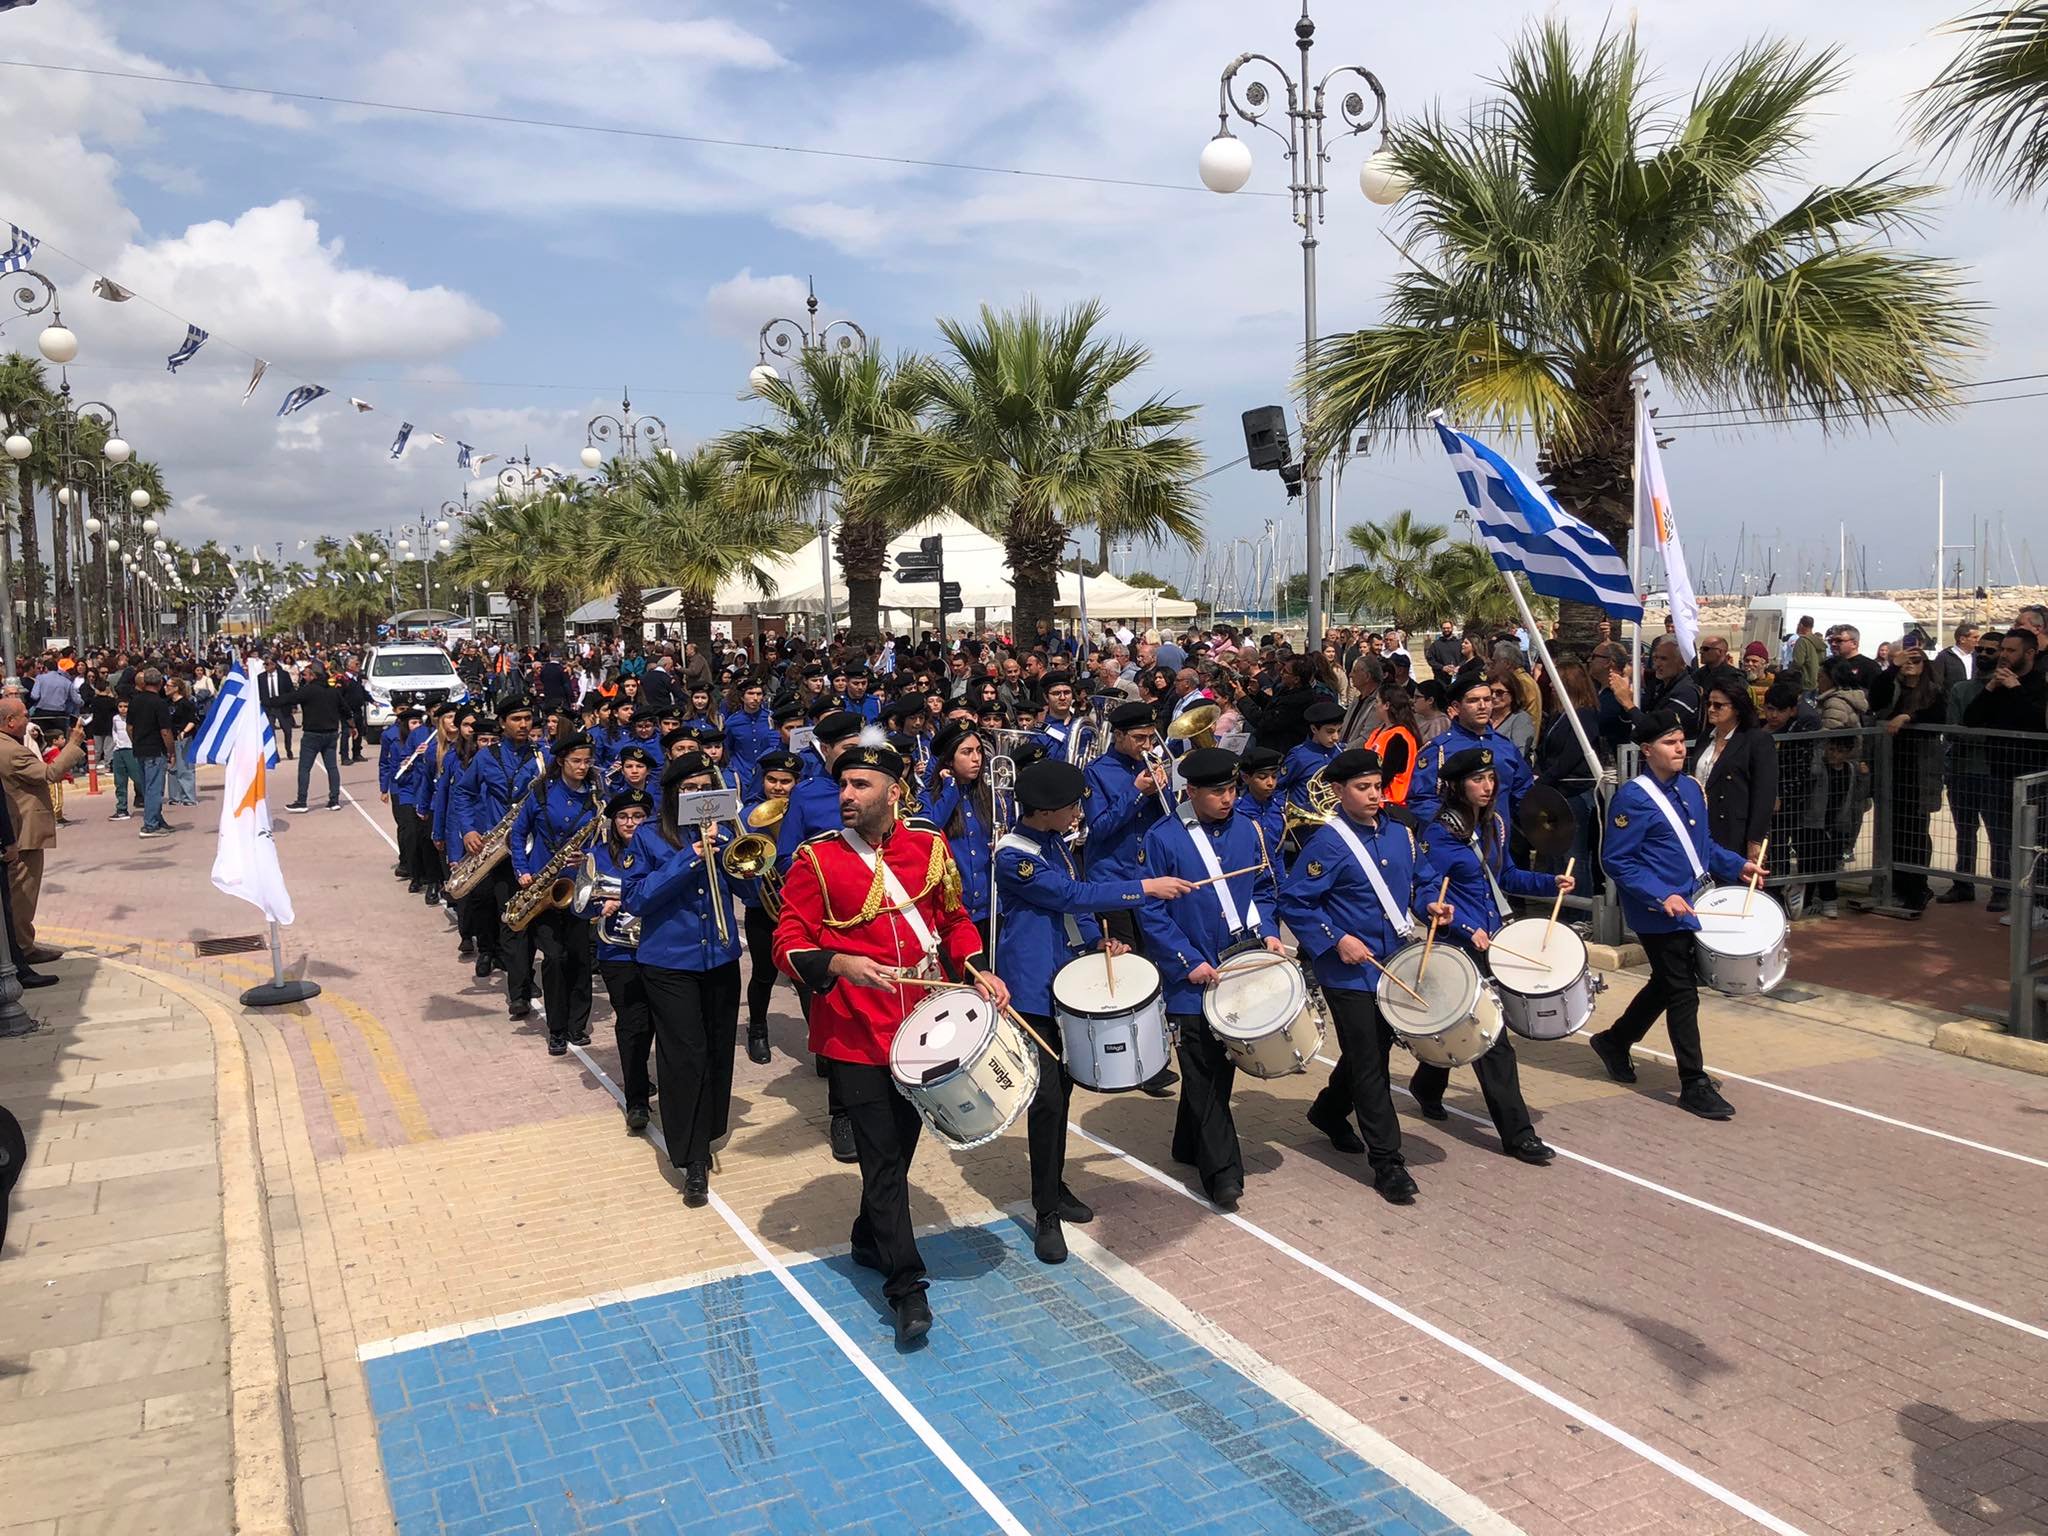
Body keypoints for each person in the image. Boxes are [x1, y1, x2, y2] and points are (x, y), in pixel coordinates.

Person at [772, 739, 1007, 1346]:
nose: (846, 797)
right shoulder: (817, 860)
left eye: (860, 786)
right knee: (881, 1160)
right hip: (856, 1033)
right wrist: (839, 963)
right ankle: (906, 1286)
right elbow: (787, 942)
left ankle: (863, 1237)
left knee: (898, 1154)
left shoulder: (927, 846)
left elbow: (952, 920)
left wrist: (977, 966)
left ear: (894, 792)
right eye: (843, 786)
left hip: (924, 1025)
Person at [995, 758, 1192, 1262]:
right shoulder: (1013, 854)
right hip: (1035, 992)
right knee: (1047, 1104)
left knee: (1062, 1097)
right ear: (1046, 811)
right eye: (1073, 805)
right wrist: (1143, 888)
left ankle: (1055, 1186)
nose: (1080, 811)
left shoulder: (1054, 841)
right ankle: (1044, 1212)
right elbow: (1067, 895)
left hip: (1067, 981)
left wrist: (1097, 945)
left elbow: (1070, 913)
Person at [1590, 711, 1765, 1119]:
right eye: (1670, 744)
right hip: (1658, 912)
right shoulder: (1632, 798)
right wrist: (1660, 895)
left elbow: (1700, 847)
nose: (1681, 749)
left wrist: (1736, 865)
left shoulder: (1690, 787)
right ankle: (1693, 1082)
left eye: (1682, 741)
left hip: (1697, 902)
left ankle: (1615, 1041)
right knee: (1683, 992)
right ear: (1648, 751)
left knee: (1670, 983)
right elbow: (1618, 861)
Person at [1276, 749, 1431, 1202]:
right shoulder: (1327, 843)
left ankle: (1327, 1111)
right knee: (1370, 1061)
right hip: (1346, 971)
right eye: (1362, 788)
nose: (1373, 795)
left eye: (1377, 786)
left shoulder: (1401, 834)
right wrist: (1336, 938)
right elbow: (1295, 902)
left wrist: (1430, 906)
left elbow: (1418, 883)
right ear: (1339, 793)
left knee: (1375, 1047)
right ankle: (1388, 1163)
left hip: (1393, 961)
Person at [1136, 747, 1284, 1212]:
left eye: (1233, 789)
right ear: (1191, 791)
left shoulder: (1250, 828)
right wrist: (1186, 960)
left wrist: (1270, 931)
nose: (1228, 798)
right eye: (1218, 791)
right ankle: (1222, 1172)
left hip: (1240, 964)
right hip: (1191, 975)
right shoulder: (1163, 838)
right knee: (1201, 1067)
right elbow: (1151, 912)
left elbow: (1261, 886)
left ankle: (1186, 1142)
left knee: (1220, 1066)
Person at [1410, 747, 1565, 1161]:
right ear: (1458, 787)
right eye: (1478, 780)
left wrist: (1553, 882)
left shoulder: (1494, 825)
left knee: (1460, 1025)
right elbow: (1426, 890)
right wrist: (1459, 925)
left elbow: (1506, 877)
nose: (1488, 786)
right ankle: (1518, 1134)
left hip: (1494, 942)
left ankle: (1426, 1085)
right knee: (1492, 1038)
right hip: (1460, 947)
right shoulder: (1439, 834)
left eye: (1491, 778)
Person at [620, 753, 744, 1203]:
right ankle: (691, 1160)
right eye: (689, 790)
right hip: (669, 963)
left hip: (720, 958)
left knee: (716, 1049)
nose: (698, 796)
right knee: (684, 1056)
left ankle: (708, 1131)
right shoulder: (651, 837)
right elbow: (636, 898)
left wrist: (741, 851)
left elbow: (750, 888)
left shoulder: (727, 831)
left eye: (705, 788)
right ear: (674, 795)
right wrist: (691, 857)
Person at [511, 732, 600, 1054]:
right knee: (554, 958)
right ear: (561, 761)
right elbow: (518, 834)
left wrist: (588, 855)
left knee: (579, 958)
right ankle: (557, 1028)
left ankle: (578, 1025)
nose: (582, 766)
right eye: (576, 760)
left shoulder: (596, 796)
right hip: (541, 886)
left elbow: (603, 841)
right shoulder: (540, 792)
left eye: (587, 761)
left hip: (578, 886)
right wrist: (522, 870)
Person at [1962, 626, 2048, 922]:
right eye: (2004, 650)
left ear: (2030, 653)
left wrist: (2016, 689)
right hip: (1999, 773)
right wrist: (1990, 689)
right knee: (2007, 840)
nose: (2004, 656)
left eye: (2011, 651)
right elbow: (1970, 720)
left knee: (2037, 842)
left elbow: (2039, 724)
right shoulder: (1995, 685)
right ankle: (2021, 901)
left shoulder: (2039, 685)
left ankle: (2040, 904)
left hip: (2035, 776)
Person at [587, 787, 655, 1132]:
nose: (630, 823)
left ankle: (643, 1077)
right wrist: (602, 905)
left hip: (659, 948)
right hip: (617, 951)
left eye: (638, 816)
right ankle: (637, 1099)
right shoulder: (598, 855)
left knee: (660, 1022)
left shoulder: (659, 848)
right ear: (613, 822)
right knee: (632, 1024)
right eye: (624, 817)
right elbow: (579, 903)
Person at [0, 697, 87, 961]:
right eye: (24, 715)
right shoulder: (12, 752)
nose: (29, 720)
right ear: (9, 721)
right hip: (23, 830)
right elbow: (49, 774)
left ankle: (18, 945)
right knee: (23, 892)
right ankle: (23, 948)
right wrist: (73, 744)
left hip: (14, 828)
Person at [738, 750, 800, 1064]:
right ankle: (758, 1030)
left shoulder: (801, 812)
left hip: (800, 906)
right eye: (772, 780)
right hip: (763, 905)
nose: (778, 786)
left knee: (806, 976)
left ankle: (818, 1040)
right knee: (763, 973)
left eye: (786, 781)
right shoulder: (749, 816)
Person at [1408, 673, 1532, 826]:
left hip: (1498, 840)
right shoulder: (1440, 749)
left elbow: (1523, 792)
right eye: (1473, 701)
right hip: (1456, 842)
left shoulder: (1505, 746)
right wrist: (1451, 826)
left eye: (1487, 700)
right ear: (1456, 707)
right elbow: (1421, 799)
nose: (1482, 706)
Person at [1880, 645, 1949, 914]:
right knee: (1893, 829)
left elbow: (1938, 714)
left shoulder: (1932, 691)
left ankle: (1918, 885)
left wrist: (1908, 716)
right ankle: (1897, 883)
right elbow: (1877, 697)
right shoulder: (1894, 687)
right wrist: (1893, 666)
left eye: (1916, 660)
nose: (1910, 664)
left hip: (1920, 774)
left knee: (1916, 831)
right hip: (1891, 769)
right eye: (1906, 659)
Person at [1939, 631, 2006, 906]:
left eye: (1991, 650)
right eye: (1980, 649)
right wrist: (1981, 734)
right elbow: (1954, 729)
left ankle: (2001, 889)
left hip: (1994, 772)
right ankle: (1963, 884)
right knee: (1964, 831)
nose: (1984, 655)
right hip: (1962, 770)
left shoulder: (2009, 688)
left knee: (1999, 833)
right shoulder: (1961, 689)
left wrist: (1976, 733)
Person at [923, 722, 995, 950]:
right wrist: (950, 787)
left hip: (990, 908)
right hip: (953, 914)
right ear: (948, 760)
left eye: (979, 751)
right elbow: (931, 830)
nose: (977, 759)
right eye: (966, 752)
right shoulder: (928, 797)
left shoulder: (991, 796)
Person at [1696, 682, 1776, 862]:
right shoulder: (1704, 739)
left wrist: (1755, 839)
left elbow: (1764, 794)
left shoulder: (1757, 740)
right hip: (1703, 825)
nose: (1711, 709)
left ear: (1737, 709)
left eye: (1718, 705)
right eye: (1708, 704)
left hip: (1735, 831)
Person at [276, 661, 347, 812]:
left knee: (304, 768)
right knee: (332, 767)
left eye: (305, 674)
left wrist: (267, 702)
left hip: (312, 735)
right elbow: (345, 709)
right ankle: (334, 800)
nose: (303, 676)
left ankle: (302, 801)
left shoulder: (309, 690)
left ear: (313, 675)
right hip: (331, 734)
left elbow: (290, 698)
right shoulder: (333, 691)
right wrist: (352, 725)